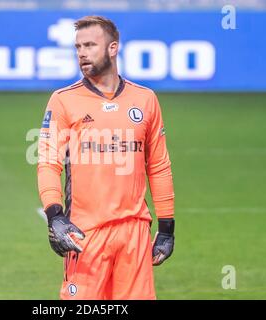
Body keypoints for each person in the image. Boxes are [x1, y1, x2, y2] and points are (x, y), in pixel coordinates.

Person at [37, 15, 175, 300]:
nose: (82, 53)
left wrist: (166, 228)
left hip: (135, 232)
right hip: (86, 235)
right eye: (77, 47)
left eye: (90, 45)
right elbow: (48, 163)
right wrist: (55, 216)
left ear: (113, 48)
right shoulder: (63, 100)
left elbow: (159, 165)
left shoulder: (145, 99)